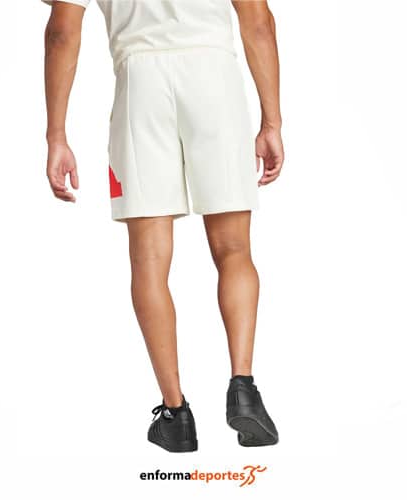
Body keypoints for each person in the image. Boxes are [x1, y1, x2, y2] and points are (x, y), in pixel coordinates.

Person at [42, 0, 284, 452]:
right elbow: (259, 23)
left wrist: (56, 135)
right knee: (234, 249)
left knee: (149, 262)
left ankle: (176, 415)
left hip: (141, 85)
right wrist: (272, 121)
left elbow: (61, 32)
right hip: (214, 77)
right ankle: (243, 388)